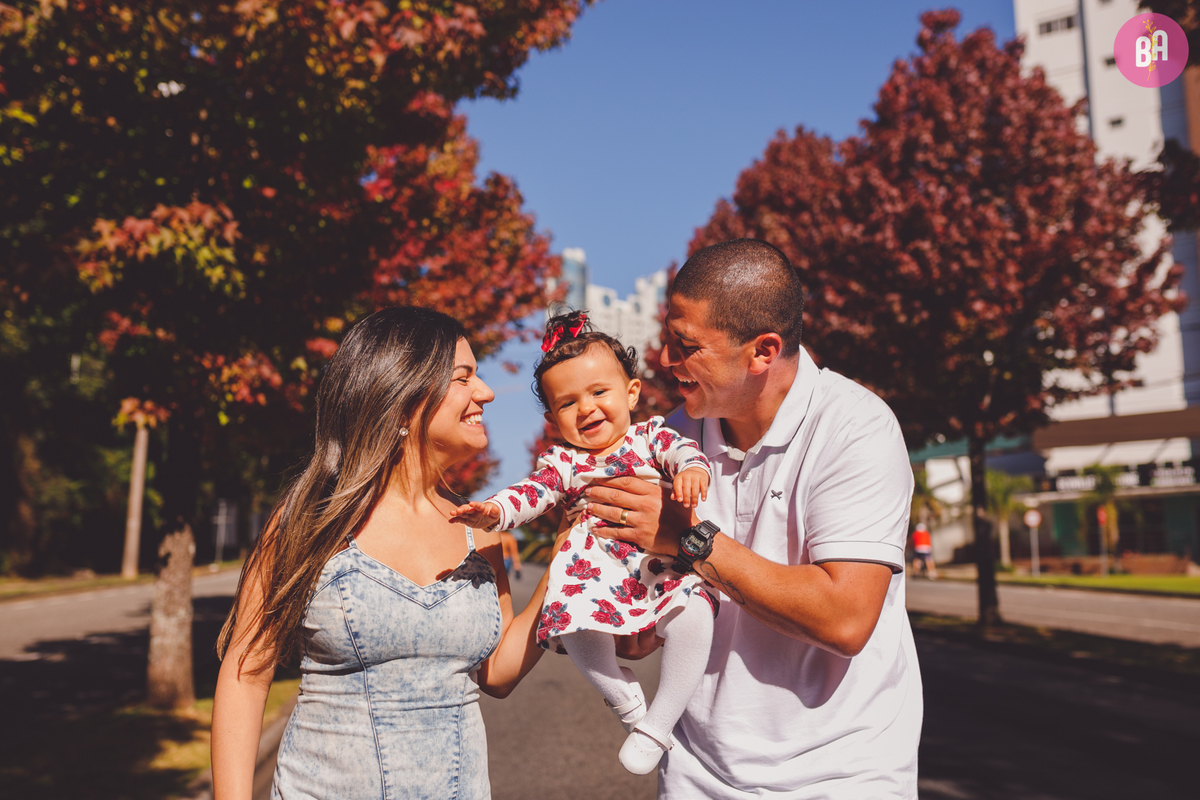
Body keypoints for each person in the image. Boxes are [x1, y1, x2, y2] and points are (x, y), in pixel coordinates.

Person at [582, 239, 922, 798]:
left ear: (762, 351)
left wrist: (688, 540)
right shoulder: (668, 440)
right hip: (697, 772)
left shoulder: (856, 426)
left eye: (686, 345)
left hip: (845, 773)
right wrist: (614, 607)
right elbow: (640, 634)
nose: (666, 359)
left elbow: (845, 619)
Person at [210, 307, 555, 800]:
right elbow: (247, 672)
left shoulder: (480, 531)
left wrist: (565, 559)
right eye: (464, 377)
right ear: (402, 396)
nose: (486, 392)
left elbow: (497, 674)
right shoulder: (308, 520)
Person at [452, 311, 717, 774]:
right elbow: (531, 493)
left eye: (599, 392)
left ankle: (659, 723)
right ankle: (627, 705)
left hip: (656, 566)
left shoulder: (650, 437)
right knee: (569, 621)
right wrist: (494, 511)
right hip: (596, 571)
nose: (587, 408)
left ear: (631, 393)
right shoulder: (565, 463)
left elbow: (684, 451)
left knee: (694, 615)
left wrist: (693, 470)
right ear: (554, 418)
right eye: (568, 403)